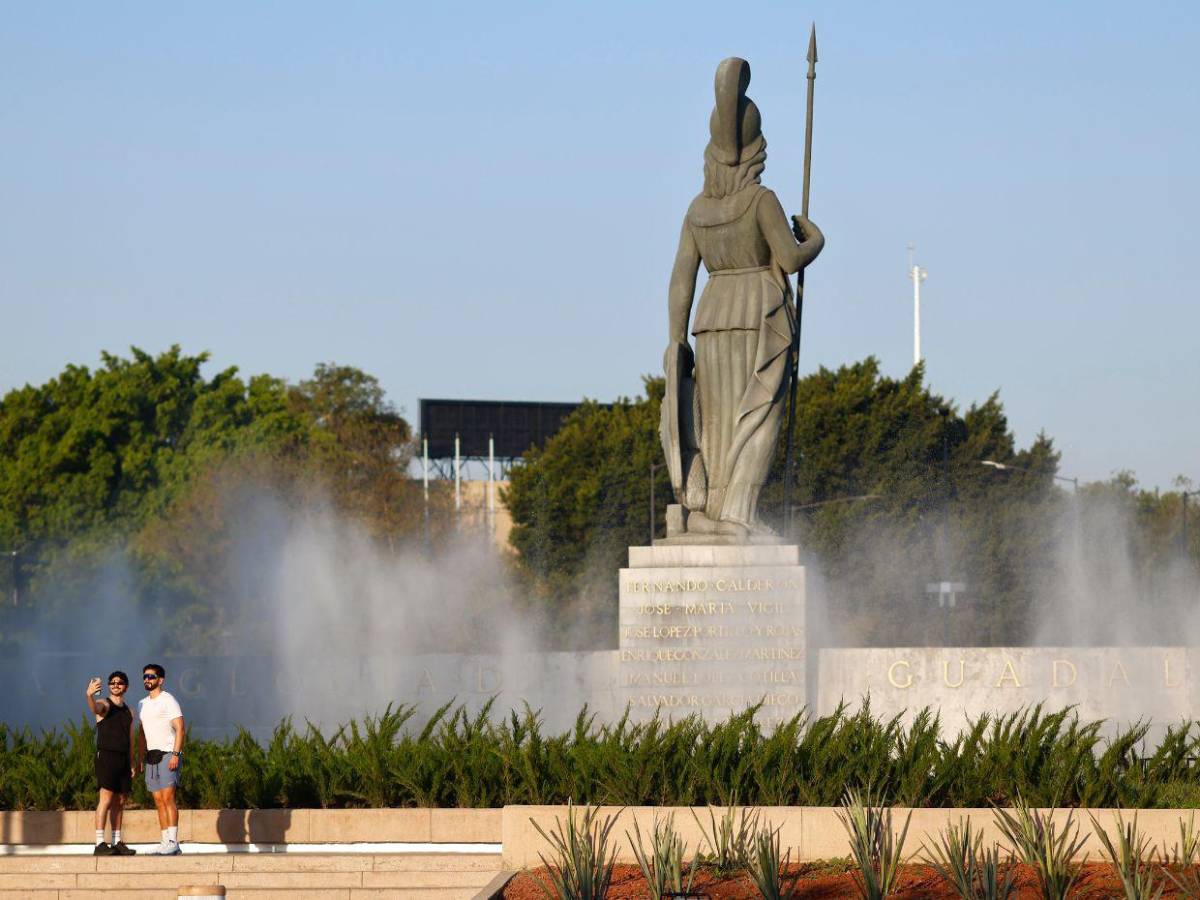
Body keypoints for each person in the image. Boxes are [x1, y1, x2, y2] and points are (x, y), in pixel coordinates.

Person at [662, 57, 824, 537]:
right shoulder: (760, 200)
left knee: (715, 421)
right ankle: (736, 515)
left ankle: (709, 511)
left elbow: (680, 281)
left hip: (711, 320)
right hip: (760, 316)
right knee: (757, 415)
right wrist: (816, 240)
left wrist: (676, 343)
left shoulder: (697, 211)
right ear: (757, 148)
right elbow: (790, 259)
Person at [85, 673, 136, 856]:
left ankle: (116, 842)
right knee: (105, 799)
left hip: (123, 759)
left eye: (120, 683)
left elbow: (130, 738)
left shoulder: (129, 711)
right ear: (108, 686)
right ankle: (99, 843)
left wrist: (131, 762)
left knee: (120, 801)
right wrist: (89, 695)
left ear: (126, 686)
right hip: (107, 756)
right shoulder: (105, 704)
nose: (116, 685)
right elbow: (95, 708)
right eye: (112, 683)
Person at [136, 663, 185, 855]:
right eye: (145, 676)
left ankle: (173, 841)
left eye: (151, 676)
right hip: (151, 756)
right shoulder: (142, 703)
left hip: (167, 754)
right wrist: (141, 757)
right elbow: (141, 733)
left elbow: (180, 728)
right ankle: (165, 841)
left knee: (167, 798)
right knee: (157, 800)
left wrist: (175, 754)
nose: (147, 679)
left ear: (160, 680)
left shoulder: (168, 700)